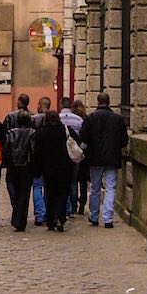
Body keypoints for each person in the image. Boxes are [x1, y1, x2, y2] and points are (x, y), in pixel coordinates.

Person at [79, 92, 128, 229]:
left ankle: (94, 216)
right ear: (109, 102)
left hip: (95, 158)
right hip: (112, 157)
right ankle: (108, 219)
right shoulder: (118, 119)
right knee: (110, 187)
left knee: (95, 187)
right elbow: (124, 140)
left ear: (98, 102)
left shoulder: (90, 118)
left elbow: (83, 137)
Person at [33, 110, 74, 232]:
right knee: (63, 193)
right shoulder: (65, 130)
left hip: (48, 168)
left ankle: (51, 220)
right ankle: (61, 216)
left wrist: (37, 169)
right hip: (64, 167)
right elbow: (76, 141)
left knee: (50, 194)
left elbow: (37, 153)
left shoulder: (41, 133)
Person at [3, 110, 36, 231]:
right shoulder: (32, 133)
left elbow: (6, 149)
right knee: (24, 194)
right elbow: (33, 151)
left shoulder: (10, 133)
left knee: (15, 192)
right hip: (26, 167)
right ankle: (20, 220)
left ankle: (17, 217)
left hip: (13, 166)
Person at [59, 96, 84, 216]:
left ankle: (65, 206)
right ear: (70, 106)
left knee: (62, 181)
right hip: (75, 153)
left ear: (60, 105)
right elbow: (83, 137)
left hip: (62, 154)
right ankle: (73, 208)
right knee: (73, 182)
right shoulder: (79, 119)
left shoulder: (58, 118)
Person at [30, 96, 51, 225]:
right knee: (48, 187)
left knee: (37, 186)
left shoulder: (33, 120)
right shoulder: (53, 119)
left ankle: (39, 214)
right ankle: (48, 212)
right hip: (49, 158)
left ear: (39, 105)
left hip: (36, 157)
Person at [72, 99, 89, 214]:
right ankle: (82, 204)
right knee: (83, 181)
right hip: (83, 154)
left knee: (73, 180)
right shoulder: (84, 119)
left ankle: (73, 204)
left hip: (72, 153)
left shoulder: (71, 118)